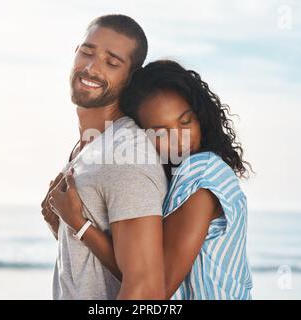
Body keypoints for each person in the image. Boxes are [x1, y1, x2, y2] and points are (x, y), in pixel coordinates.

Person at [51, 60, 253, 299]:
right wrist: (61, 225)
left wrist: (79, 224)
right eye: (161, 132)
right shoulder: (178, 178)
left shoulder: (201, 173)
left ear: (200, 115)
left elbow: (154, 286)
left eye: (185, 121)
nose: (180, 140)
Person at [40, 15, 168, 300]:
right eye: (87, 52)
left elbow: (145, 288)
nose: (91, 67)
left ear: (130, 78)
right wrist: (61, 226)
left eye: (112, 63)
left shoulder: (126, 157)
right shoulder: (88, 147)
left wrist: (79, 224)